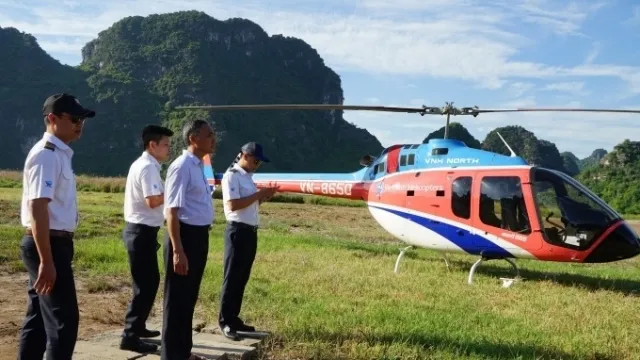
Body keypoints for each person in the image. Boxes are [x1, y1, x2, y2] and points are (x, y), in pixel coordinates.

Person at [18, 93, 95, 360]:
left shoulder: (60, 154)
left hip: (54, 242)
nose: (79, 124)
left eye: (82, 119)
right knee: (64, 322)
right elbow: (38, 208)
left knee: (38, 318)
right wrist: (46, 260)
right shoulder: (46, 155)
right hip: (47, 243)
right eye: (74, 119)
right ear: (52, 119)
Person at [161, 119, 216, 360]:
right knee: (176, 300)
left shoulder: (199, 166)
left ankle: (183, 351)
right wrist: (177, 250)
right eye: (208, 135)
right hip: (183, 237)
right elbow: (171, 211)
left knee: (189, 297)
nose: (213, 139)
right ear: (193, 139)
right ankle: (171, 355)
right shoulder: (182, 166)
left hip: (198, 237)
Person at [120, 125, 174, 353]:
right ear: (152, 145)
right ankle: (130, 336)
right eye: (165, 145)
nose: (168, 150)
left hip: (142, 232)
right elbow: (152, 200)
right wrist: (174, 192)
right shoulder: (148, 168)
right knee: (145, 285)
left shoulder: (143, 165)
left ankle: (138, 326)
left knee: (148, 282)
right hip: (141, 232)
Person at [218, 142, 279, 340]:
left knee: (242, 277)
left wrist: (264, 197)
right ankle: (225, 321)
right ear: (245, 155)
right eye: (255, 160)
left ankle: (234, 317)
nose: (257, 164)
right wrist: (259, 194)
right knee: (232, 277)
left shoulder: (248, 178)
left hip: (250, 231)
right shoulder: (232, 176)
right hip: (237, 231)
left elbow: (251, 203)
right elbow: (233, 204)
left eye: (260, 161)